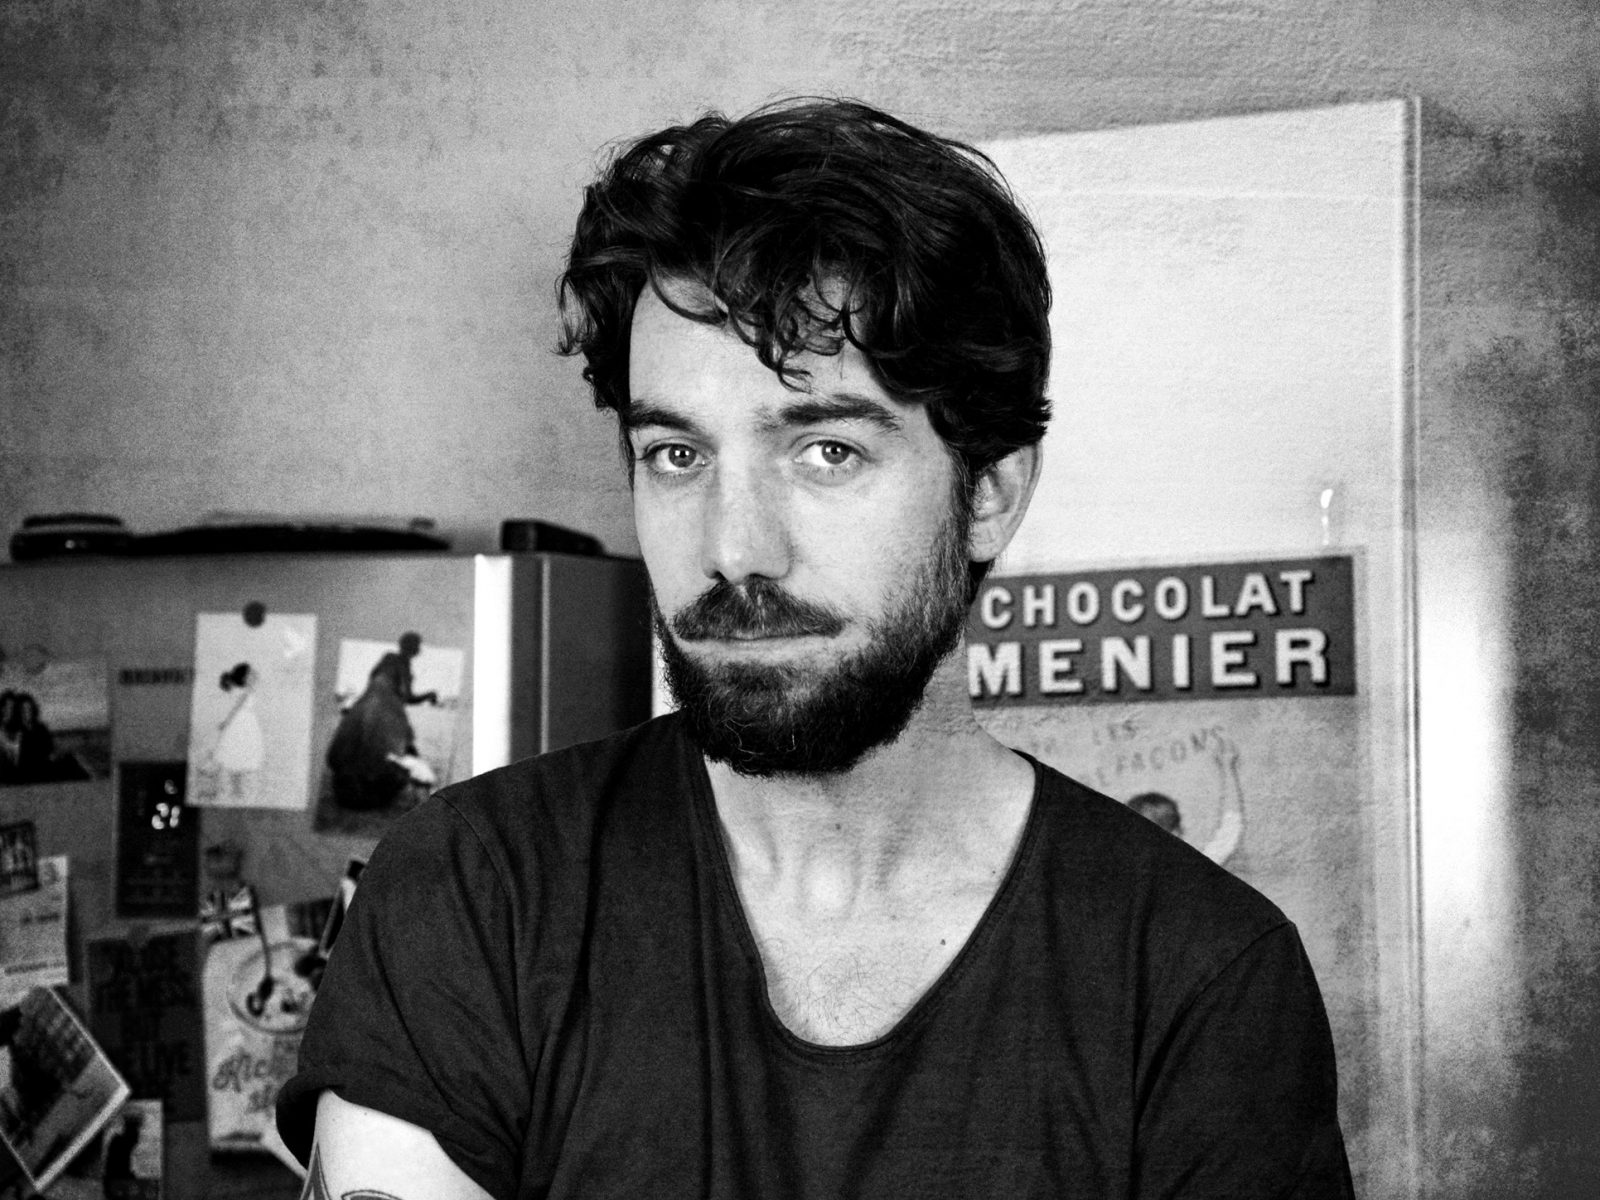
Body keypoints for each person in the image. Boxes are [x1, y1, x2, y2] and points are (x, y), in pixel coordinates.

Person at [278, 98, 1353, 1198]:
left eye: (827, 450)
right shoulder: (476, 893)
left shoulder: (1195, 979)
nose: (734, 550)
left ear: (988, 494)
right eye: (677, 455)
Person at [323, 633, 439, 813]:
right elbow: (399, 691)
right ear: (412, 647)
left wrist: (426, 695)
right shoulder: (396, 661)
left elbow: (395, 690)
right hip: (384, 710)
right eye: (416, 645)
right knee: (396, 750)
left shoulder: (393, 662)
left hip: (370, 706)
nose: (418, 649)